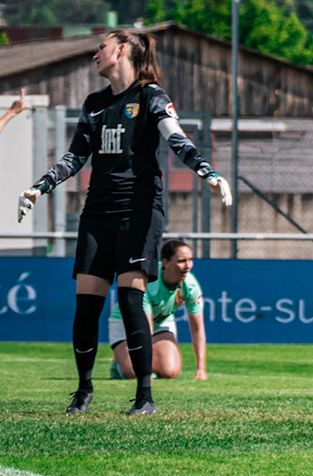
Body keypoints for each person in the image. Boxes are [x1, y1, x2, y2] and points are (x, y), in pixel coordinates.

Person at [15, 30, 232, 416]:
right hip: (97, 212)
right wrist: (40, 186)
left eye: (100, 47)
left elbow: (177, 139)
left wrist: (208, 172)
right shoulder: (94, 103)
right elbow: (74, 158)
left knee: (132, 300)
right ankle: (83, 390)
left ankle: (144, 397)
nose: (94, 54)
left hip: (139, 210)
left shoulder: (151, 96)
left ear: (120, 50)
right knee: (86, 307)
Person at [108, 239, 206, 382]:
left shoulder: (190, 284)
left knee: (170, 371)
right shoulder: (149, 281)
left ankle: (147, 361)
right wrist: (145, 370)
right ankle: (118, 364)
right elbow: (146, 328)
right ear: (165, 262)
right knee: (135, 372)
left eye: (190, 260)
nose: (188, 266)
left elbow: (197, 329)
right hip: (127, 324)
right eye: (181, 261)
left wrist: (200, 369)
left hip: (162, 322)